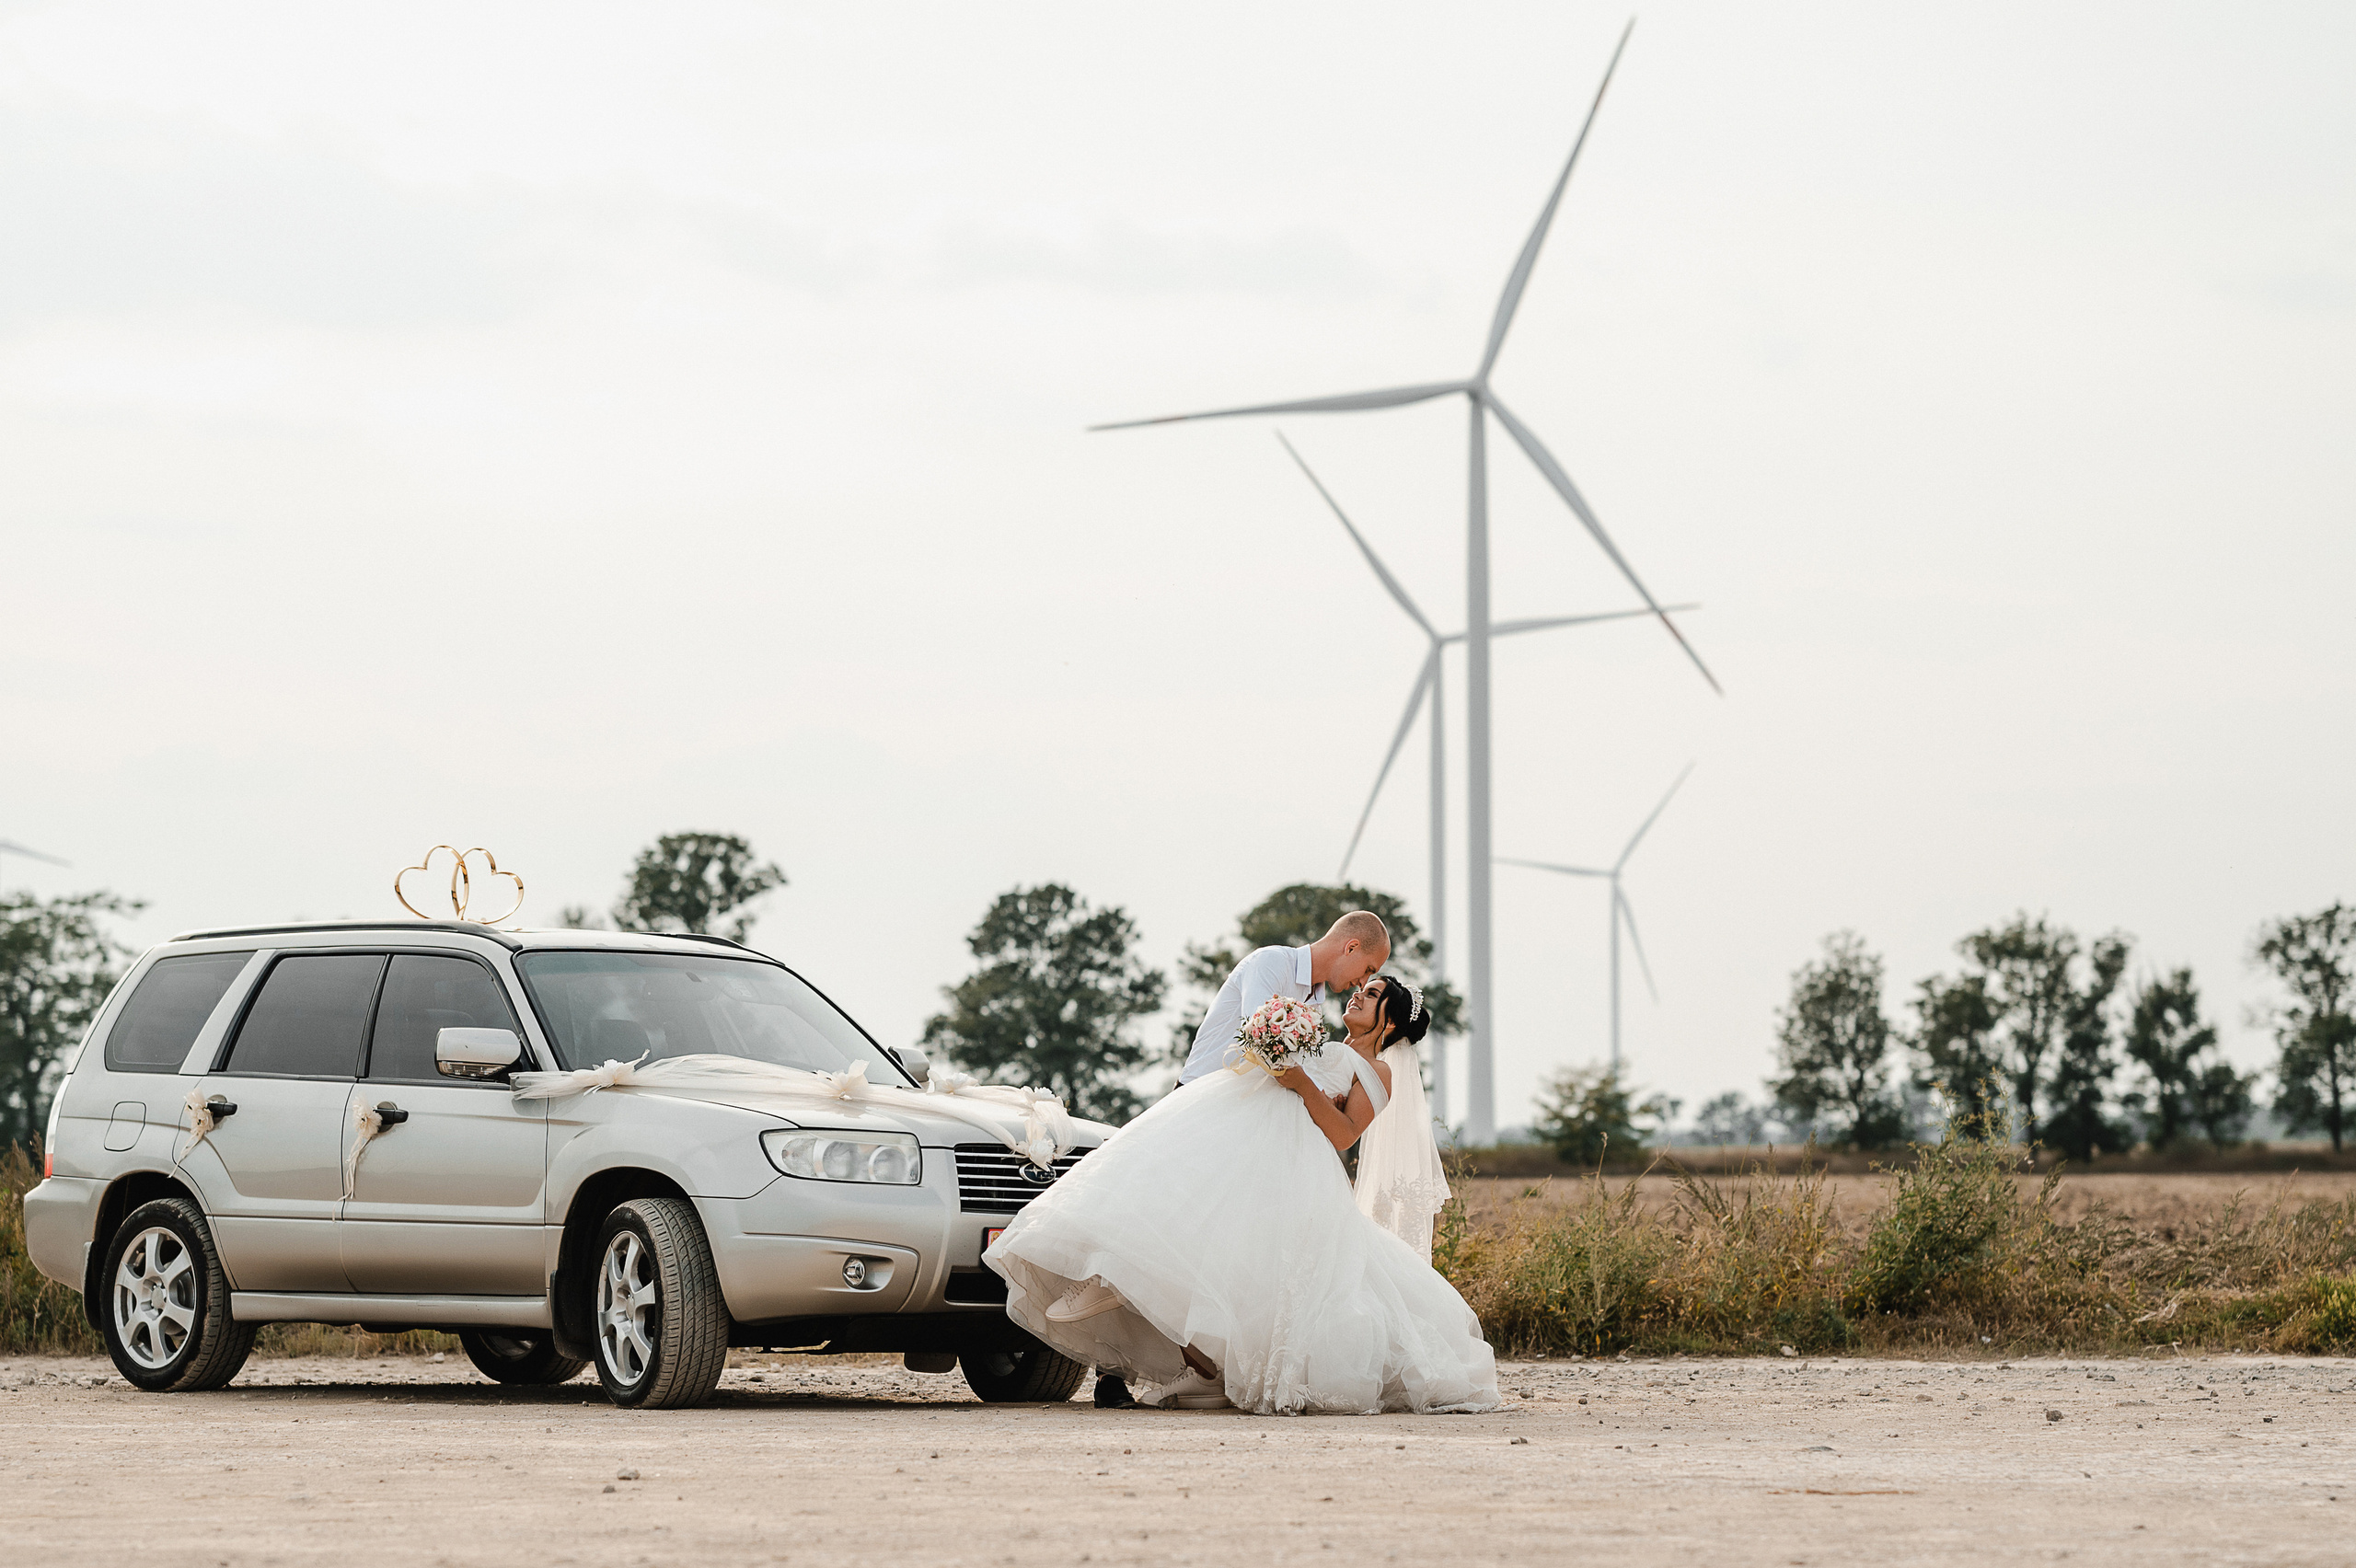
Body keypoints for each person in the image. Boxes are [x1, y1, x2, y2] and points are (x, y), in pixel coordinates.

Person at [985, 974, 1498, 1415]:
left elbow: (1343, 1134)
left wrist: (1300, 1082)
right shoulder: (1322, 1040)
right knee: (1172, 1187)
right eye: (1362, 987)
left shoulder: (1377, 1071)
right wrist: (1270, 1052)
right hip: (1242, 1128)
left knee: (1240, 1256)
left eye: (1373, 994)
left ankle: (1183, 1343)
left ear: (1388, 1022)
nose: (1358, 995)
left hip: (1292, 1161)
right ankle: (1116, 1271)